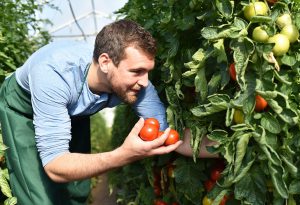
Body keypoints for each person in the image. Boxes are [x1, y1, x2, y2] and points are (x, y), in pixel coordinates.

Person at [0, 19, 216, 205]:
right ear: (105, 62)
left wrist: (228, 147)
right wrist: (122, 155)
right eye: (136, 72)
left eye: (147, 71)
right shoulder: (54, 75)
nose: (145, 82)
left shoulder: (137, 85)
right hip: (24, 109)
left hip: (71, 110)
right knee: (39, 197)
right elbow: (55, 166)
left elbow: (168, 136)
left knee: (76, 191)